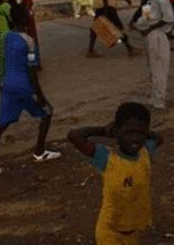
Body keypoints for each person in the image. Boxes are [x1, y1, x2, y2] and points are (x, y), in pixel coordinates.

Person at [0, 3, 60, 178]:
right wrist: (39, 95)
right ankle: (39, 151)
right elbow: (32, 71)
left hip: (8, 86)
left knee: (1, 124)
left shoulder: (7, 37)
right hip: (24, 87)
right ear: (25, 19)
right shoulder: (29, 41)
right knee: (47, 112)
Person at [66, 103, 163, 245]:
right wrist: (104, 130)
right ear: (116, 131)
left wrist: (142, 132)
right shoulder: (107, 158)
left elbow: (159, 138)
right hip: (110, 233)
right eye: (129, 132)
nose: (135, 138)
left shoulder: (145, 152)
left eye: (140, 133)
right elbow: (74, 135)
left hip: (133, 231)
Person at [133, 0, 174, 110]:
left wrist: (150, 28)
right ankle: (155, 96)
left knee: (159, 68)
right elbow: (146, 15)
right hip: (150, 34)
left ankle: (159, 99)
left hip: (156, 34)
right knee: (153, 68)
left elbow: (168, 18)